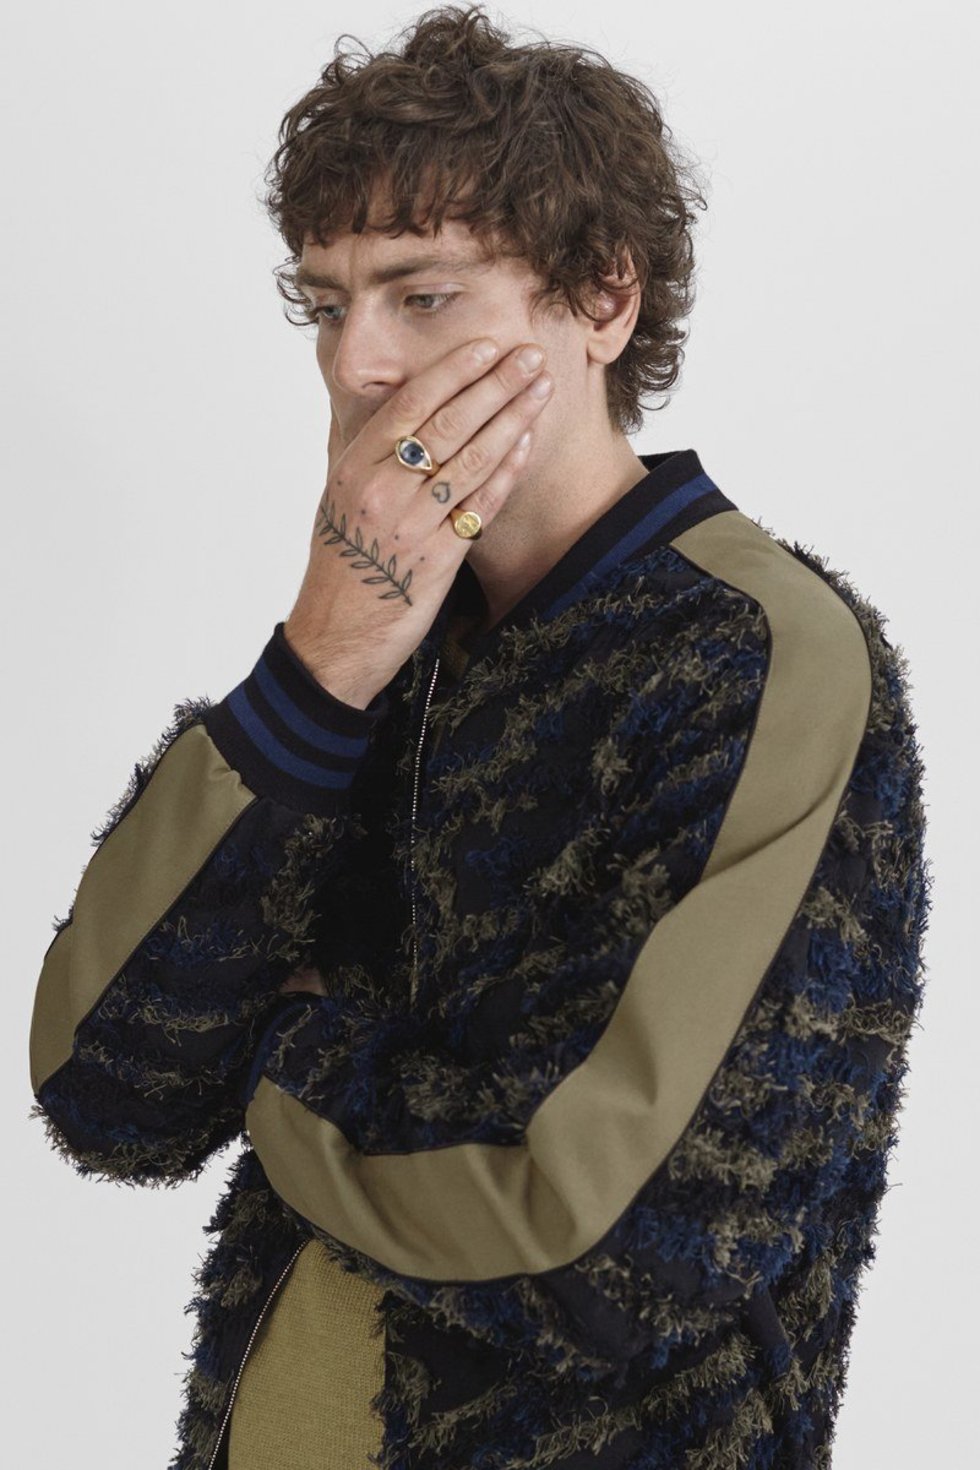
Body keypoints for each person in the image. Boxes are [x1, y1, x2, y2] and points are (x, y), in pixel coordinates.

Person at [27, 6, 932, 1468]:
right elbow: (104, 1083)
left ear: (606, 295)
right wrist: (323, 662)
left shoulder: (759, 656)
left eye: (424, 294)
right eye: (328, 305)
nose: (359, 362)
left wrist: (285, 1045)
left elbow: (612, 1236)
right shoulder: (374, 645)